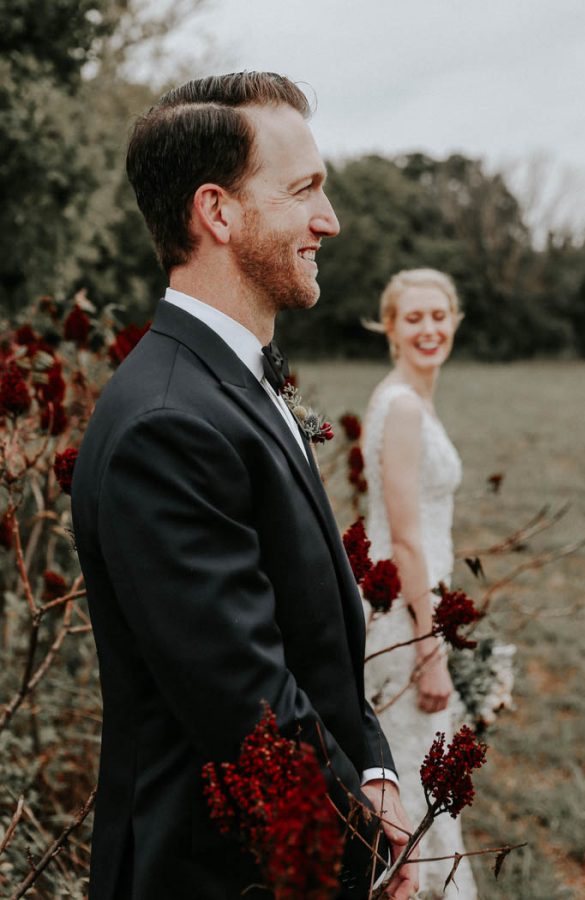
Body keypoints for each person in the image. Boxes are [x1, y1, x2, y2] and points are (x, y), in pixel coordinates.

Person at [71, 73, 417, 900]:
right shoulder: (166, 423)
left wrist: (373, 764)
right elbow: (247, 707)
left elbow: (309, 631)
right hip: (214, 873)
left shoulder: (236, 379)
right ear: (217, 212)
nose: (328, 221)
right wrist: (371, 848)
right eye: (304, 191)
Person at [362, 268, 478, 898]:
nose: (429, 328)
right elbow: (405, 537)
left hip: (416, 602)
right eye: (414, 317)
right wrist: (430, 651)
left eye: (440, 315)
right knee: (413, 782)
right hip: (406, 615)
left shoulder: (410, 396)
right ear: (390, 327)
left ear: (455, 321)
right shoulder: (402, 405)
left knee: (421, 773)